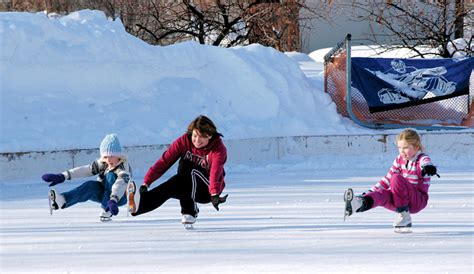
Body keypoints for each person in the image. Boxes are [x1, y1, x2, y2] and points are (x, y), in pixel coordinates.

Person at [127, 115, 228, 228]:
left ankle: (189, 211)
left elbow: (216, 171)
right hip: (188, 186)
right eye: (195, 136)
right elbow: (164, 161)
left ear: (209, 136)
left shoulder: (218, 149)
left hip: (207, 190)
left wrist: (214, 193)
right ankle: (139, 205)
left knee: (187, 165)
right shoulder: (184, 141)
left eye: (201, 137)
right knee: (171, 185)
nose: (197, 141)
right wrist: (146, 182)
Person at [344, 129, 439, 231]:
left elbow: (426, 161)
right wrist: (369, 192)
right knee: (381, 194)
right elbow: (387, 179)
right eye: (399, 147)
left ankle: (404, 214)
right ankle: (360, 203)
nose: (402, 151)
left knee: (396, 177)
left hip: (417, 200)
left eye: (406, 147)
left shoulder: (421, 159)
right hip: (401, 200)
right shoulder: (399, 159)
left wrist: (427, 168)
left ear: (416, 147)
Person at [42, 134, 132, 222]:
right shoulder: (103, 163)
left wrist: (113, 200)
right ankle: (63, 200)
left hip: (119, 197)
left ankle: (107, 209)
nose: (108, 160)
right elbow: (85, 170)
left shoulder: (123, 167)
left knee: (111, 175)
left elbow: (120, 184)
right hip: (104, 193)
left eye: (111, 156)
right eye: (105, 157)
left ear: (119, 156)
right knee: (89, 186)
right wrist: (62, 176)